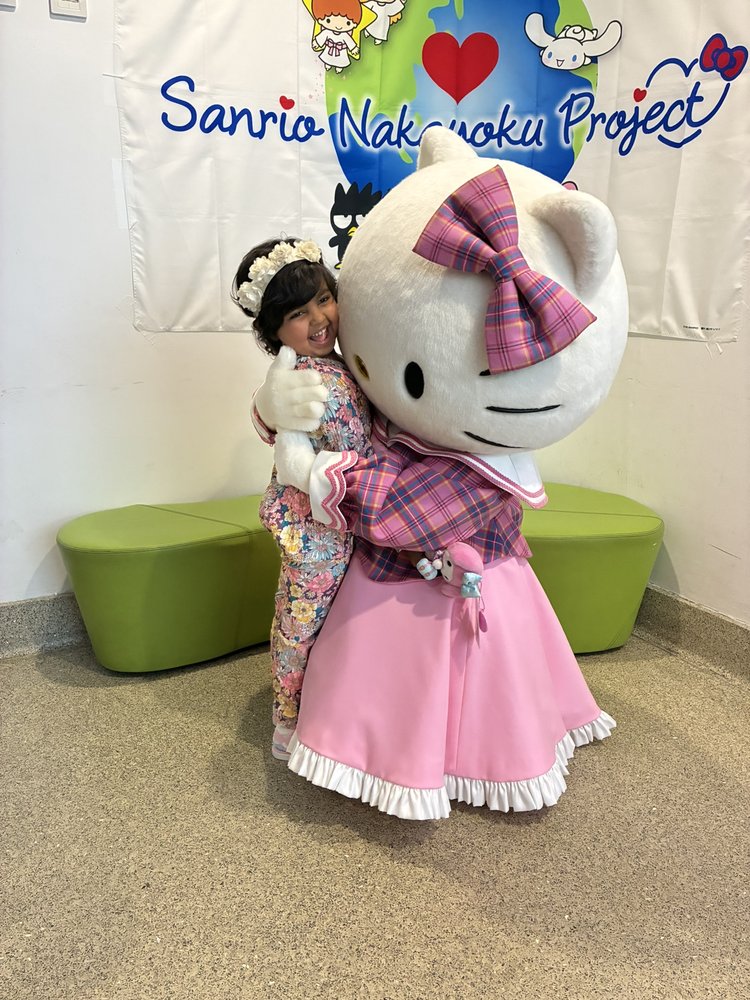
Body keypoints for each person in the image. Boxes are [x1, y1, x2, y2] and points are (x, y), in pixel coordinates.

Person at [231, 237, 372, 761]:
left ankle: (330, 711)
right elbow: (277, 430)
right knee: (301, 619)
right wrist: (266, 408)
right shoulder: (297, 374)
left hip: (357, 513)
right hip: (314, 529)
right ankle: (287, 719)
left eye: (323, 298)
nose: (318, 317)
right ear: (273, 331)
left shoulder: (345, 358)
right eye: (297, 312)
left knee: (344, 621)